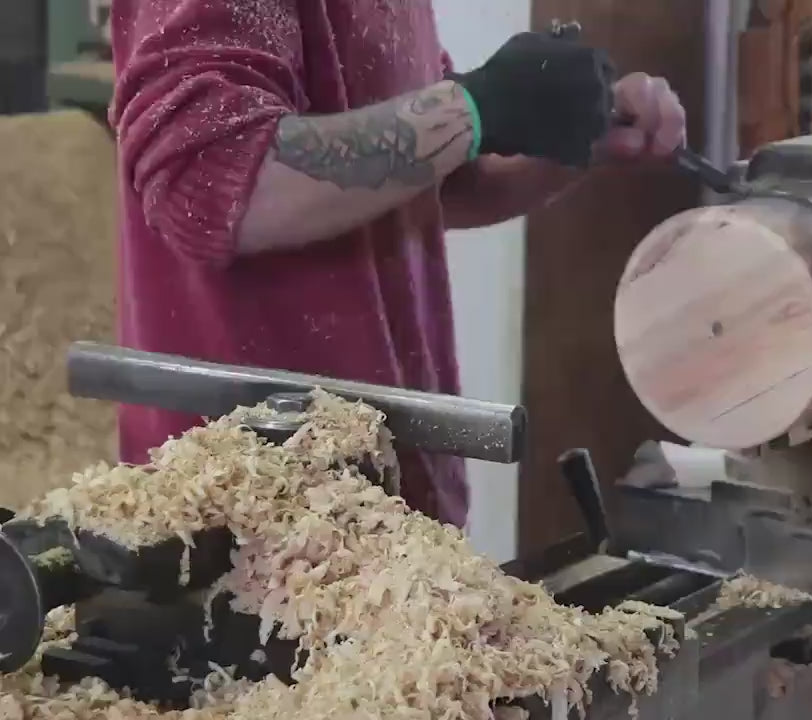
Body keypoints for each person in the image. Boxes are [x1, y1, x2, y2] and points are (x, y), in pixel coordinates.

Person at [108, 3, 687, 528]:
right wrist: (475, 107)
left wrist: (567, 140)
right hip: (246, 516)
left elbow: (424, 181)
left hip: (385, 504)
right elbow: (209, 179)